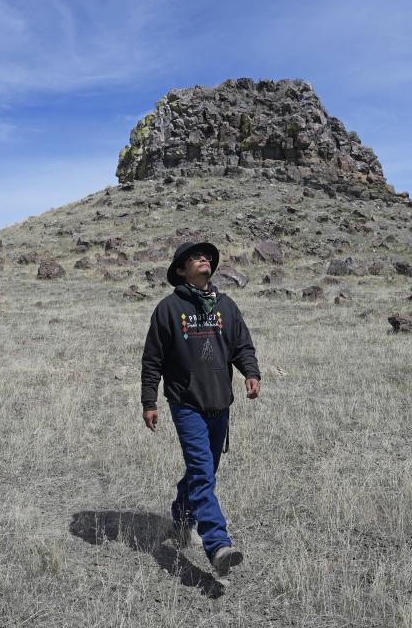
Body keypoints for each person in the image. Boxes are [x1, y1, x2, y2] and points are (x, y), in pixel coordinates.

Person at [140, 241, 261, 577]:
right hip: (187, 404)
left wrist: (251, 373)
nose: (205, 259)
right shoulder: (168, 309)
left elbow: (241, 346)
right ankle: (218, 543)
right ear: (181, 269)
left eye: (207, 256)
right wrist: (149, 401)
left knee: (202, 471)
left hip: (220, 403)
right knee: (203, 471)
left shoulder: (227, 306)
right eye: (196, 256)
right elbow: (152, 361)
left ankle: (181, 513)